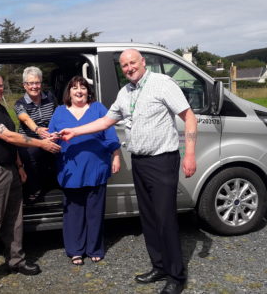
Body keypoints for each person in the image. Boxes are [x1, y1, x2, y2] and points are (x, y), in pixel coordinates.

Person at [59, 49, 197, 294]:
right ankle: (159, 266)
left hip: (162, 160)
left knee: (165, 219)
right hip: (140, 161)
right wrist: (75, 131)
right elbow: (105, 122)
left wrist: (189, 153)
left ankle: (176, 275)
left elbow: (189, 117)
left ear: (143, 62)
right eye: (124, 65)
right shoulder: (125, 93)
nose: (129, 68)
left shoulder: (162, 84)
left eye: (132, 63)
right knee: (149, 218)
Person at [0, 71, 61, 294]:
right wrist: (41, 144)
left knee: (14, 219)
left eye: (0, 85)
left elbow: (11, 144)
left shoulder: (1, 109)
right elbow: (10, 137)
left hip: (9, 169)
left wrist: (19, 167)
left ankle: (16, 261)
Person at [48, 76, 121, 265]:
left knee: (95, 212)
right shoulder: (59, 112)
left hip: (96, 168)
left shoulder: (98, 108)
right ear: (69, 92)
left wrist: (116, 156)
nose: (79, 91)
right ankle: (75, 250)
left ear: (88, 91)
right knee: (73, 212)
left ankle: (94, 248)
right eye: (74, 88)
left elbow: (110, 134)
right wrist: (51, 138)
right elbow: (51, 138)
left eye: (83, 87)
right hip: (70, 170)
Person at [14, 66, 58, 204]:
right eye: (30, 83)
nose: (34, 86)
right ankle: (33, 190)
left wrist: (54, 134)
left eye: (37, 82)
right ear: (24, 85)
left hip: (50, 136)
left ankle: (57, 187)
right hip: (29, 140)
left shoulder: (50, 97)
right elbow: (25, 118)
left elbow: (57, 115)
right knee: (31, 155)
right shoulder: (19, 103)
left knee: (60, 151)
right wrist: (38, 129)